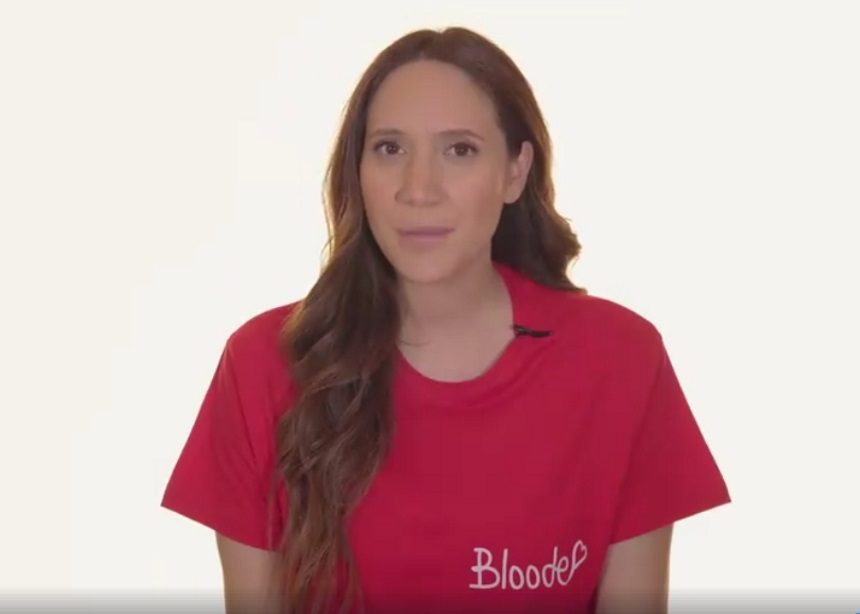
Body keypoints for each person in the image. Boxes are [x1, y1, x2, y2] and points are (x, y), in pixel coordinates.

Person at [161, 26, 731, 614]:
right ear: (357, 170)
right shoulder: (264, 365)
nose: (419, 190)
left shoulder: (619, 361)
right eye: (390, 149)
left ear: (515, 171)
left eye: (460, 150)